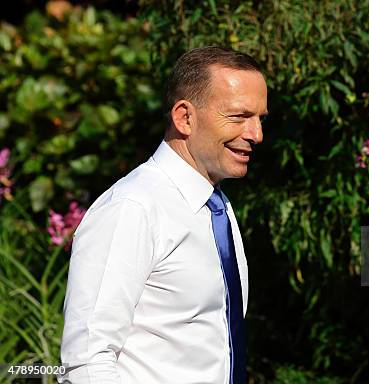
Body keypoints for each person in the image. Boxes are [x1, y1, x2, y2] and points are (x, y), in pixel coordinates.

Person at [58, 46, 268, 384]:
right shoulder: (132, 208)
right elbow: (85, 362)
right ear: (185, 117)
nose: (256, 134)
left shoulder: (217, 206)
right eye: (239, 116)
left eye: (259, 119)